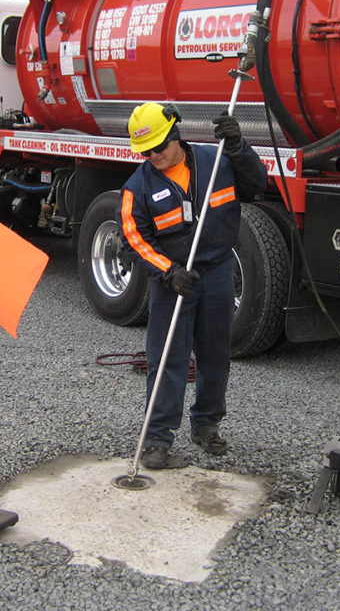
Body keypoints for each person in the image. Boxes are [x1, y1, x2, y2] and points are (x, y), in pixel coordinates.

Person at [120, 102, 267, 470]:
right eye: (146, 151)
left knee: (216, 354)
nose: (153, 156)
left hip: (217, 273)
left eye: (159, 147)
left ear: (176, 136)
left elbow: (257, 185)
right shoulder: (137, 188)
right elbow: (134, 239)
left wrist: (238, 148)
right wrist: (168, 272)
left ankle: (206, 425)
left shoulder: (215, 162)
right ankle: (157, 438)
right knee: (167, 359)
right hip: (174, 282)